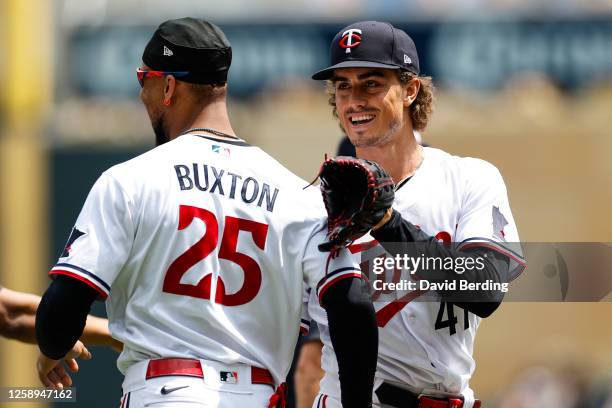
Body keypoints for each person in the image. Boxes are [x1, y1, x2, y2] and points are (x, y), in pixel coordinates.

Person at [34, 18, 378, 408]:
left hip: (163, 392)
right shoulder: (298, 195)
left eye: (142, 79)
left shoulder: (130, 180)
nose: (141, 94)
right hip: (259, 394)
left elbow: (66, 301)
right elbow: (352, 306)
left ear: (167, 86)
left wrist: (52, 347)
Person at [308, 21, 526, 408]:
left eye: (371, 83)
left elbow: (486, 289)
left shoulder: (468, 178)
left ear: (410, 90)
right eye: (343, 86)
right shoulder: (311, 204)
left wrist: (387, 224)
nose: (354, 99)